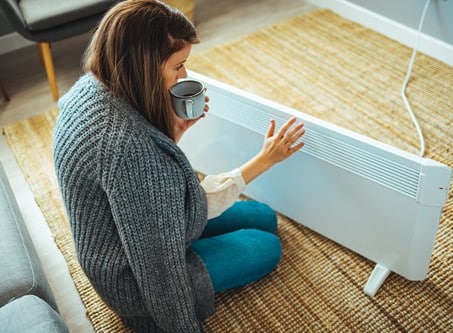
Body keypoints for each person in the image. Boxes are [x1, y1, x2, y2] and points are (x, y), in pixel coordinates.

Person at [53, 0, 305, 332]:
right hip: (132, 282)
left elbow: (147, 197)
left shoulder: (92, 85)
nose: (185, 75)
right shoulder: (131, 151)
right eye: (178, 66)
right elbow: (159, 272)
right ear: (144, 66)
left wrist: (170, 133)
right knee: (266, 246)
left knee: (263, 217)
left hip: (129, 239)